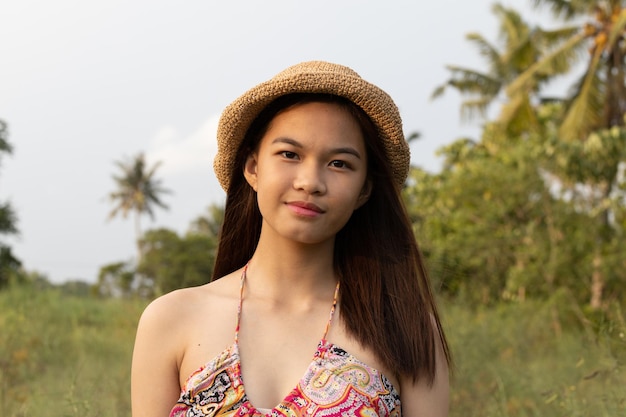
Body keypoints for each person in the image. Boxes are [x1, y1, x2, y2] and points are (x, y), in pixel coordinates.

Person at [131, 61, 451, 417]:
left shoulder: (407, 329)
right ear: (252, 167)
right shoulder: (171, 320)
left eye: (340, 163)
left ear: (365, 190)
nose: (310, 181)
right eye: (289, 154)